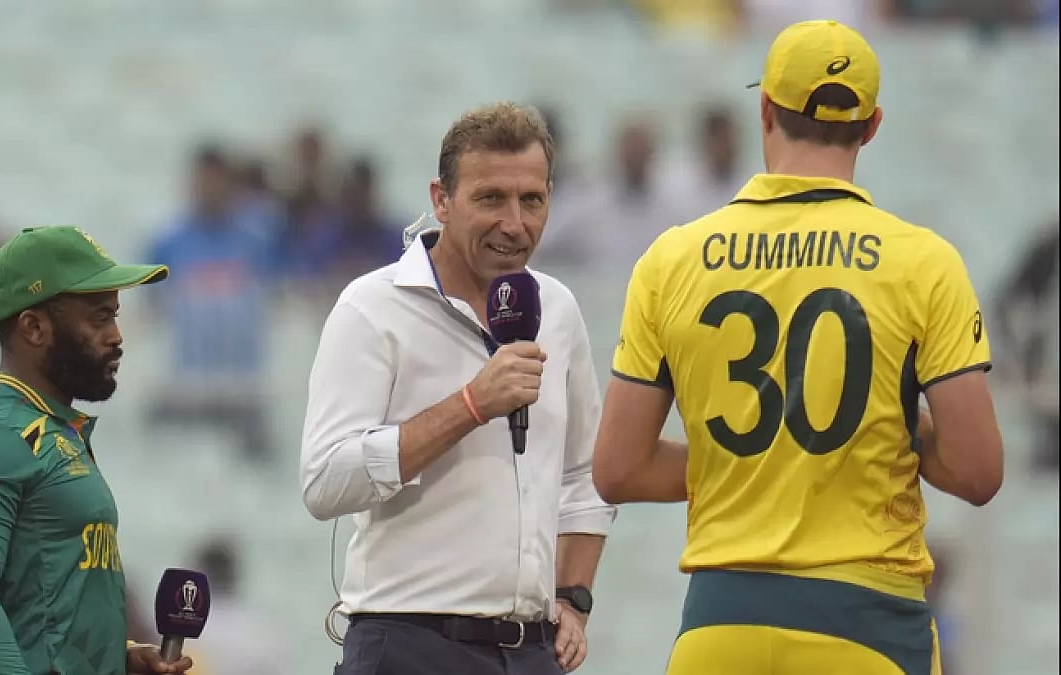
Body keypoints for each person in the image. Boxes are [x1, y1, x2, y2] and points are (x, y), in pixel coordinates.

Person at [592, 20, 1004, 675]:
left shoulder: (669, 259)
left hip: (719, 626)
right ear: (872, 126)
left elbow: (618, 469)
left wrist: (753, 464)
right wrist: (890, 434)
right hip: (866, 627)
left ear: (764, 110)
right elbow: (978, 472)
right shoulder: (925, 262)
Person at [300, 102, 616, 675]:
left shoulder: (558, 308)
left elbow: (584, 477)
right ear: (441, 200)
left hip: (532, 651)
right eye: (490, 198)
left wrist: (574, 598)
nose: (514, 223)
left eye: (532, 201)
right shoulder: (372, 307)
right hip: (408, 643)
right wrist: (471, 405)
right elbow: (324, 483)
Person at [0, 226, 194, 675]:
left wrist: (117, 659)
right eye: (99, 318)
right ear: (34, 328)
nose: (117, 336)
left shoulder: (53, 429)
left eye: (114, 316)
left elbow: (43, 608)